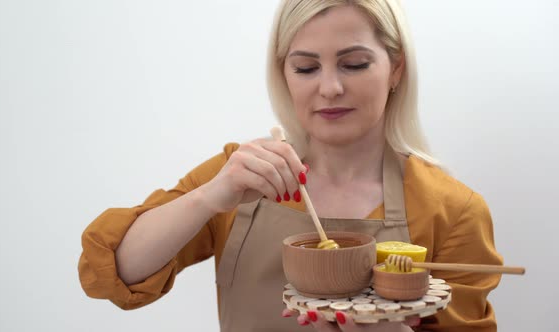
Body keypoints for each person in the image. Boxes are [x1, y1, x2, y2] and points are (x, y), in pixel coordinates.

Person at [78, 0, 503, 331]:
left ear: (395, 68)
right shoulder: (238, 175)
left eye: (354, 64)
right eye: (306, 67)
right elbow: (114, 272)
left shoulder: (453, 210)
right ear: (283, 73)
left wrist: (379, 328)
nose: (330, 88)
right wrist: (209, 197)